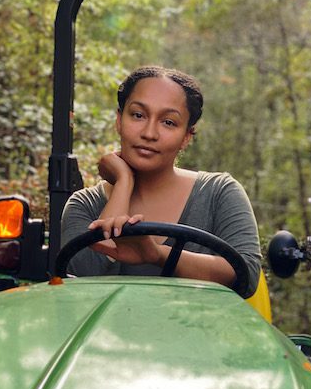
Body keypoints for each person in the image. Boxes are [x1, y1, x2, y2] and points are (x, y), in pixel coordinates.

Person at [60, 65, 262, 296]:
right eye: (138, 115)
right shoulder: (83, 205)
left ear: (186, 136)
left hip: (200, 331)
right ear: (119, 120)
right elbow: (81, 282)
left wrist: (156, 255)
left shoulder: (219, 193)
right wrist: (124, 183)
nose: (149, 133)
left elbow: (246, 276)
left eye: (168, 122)